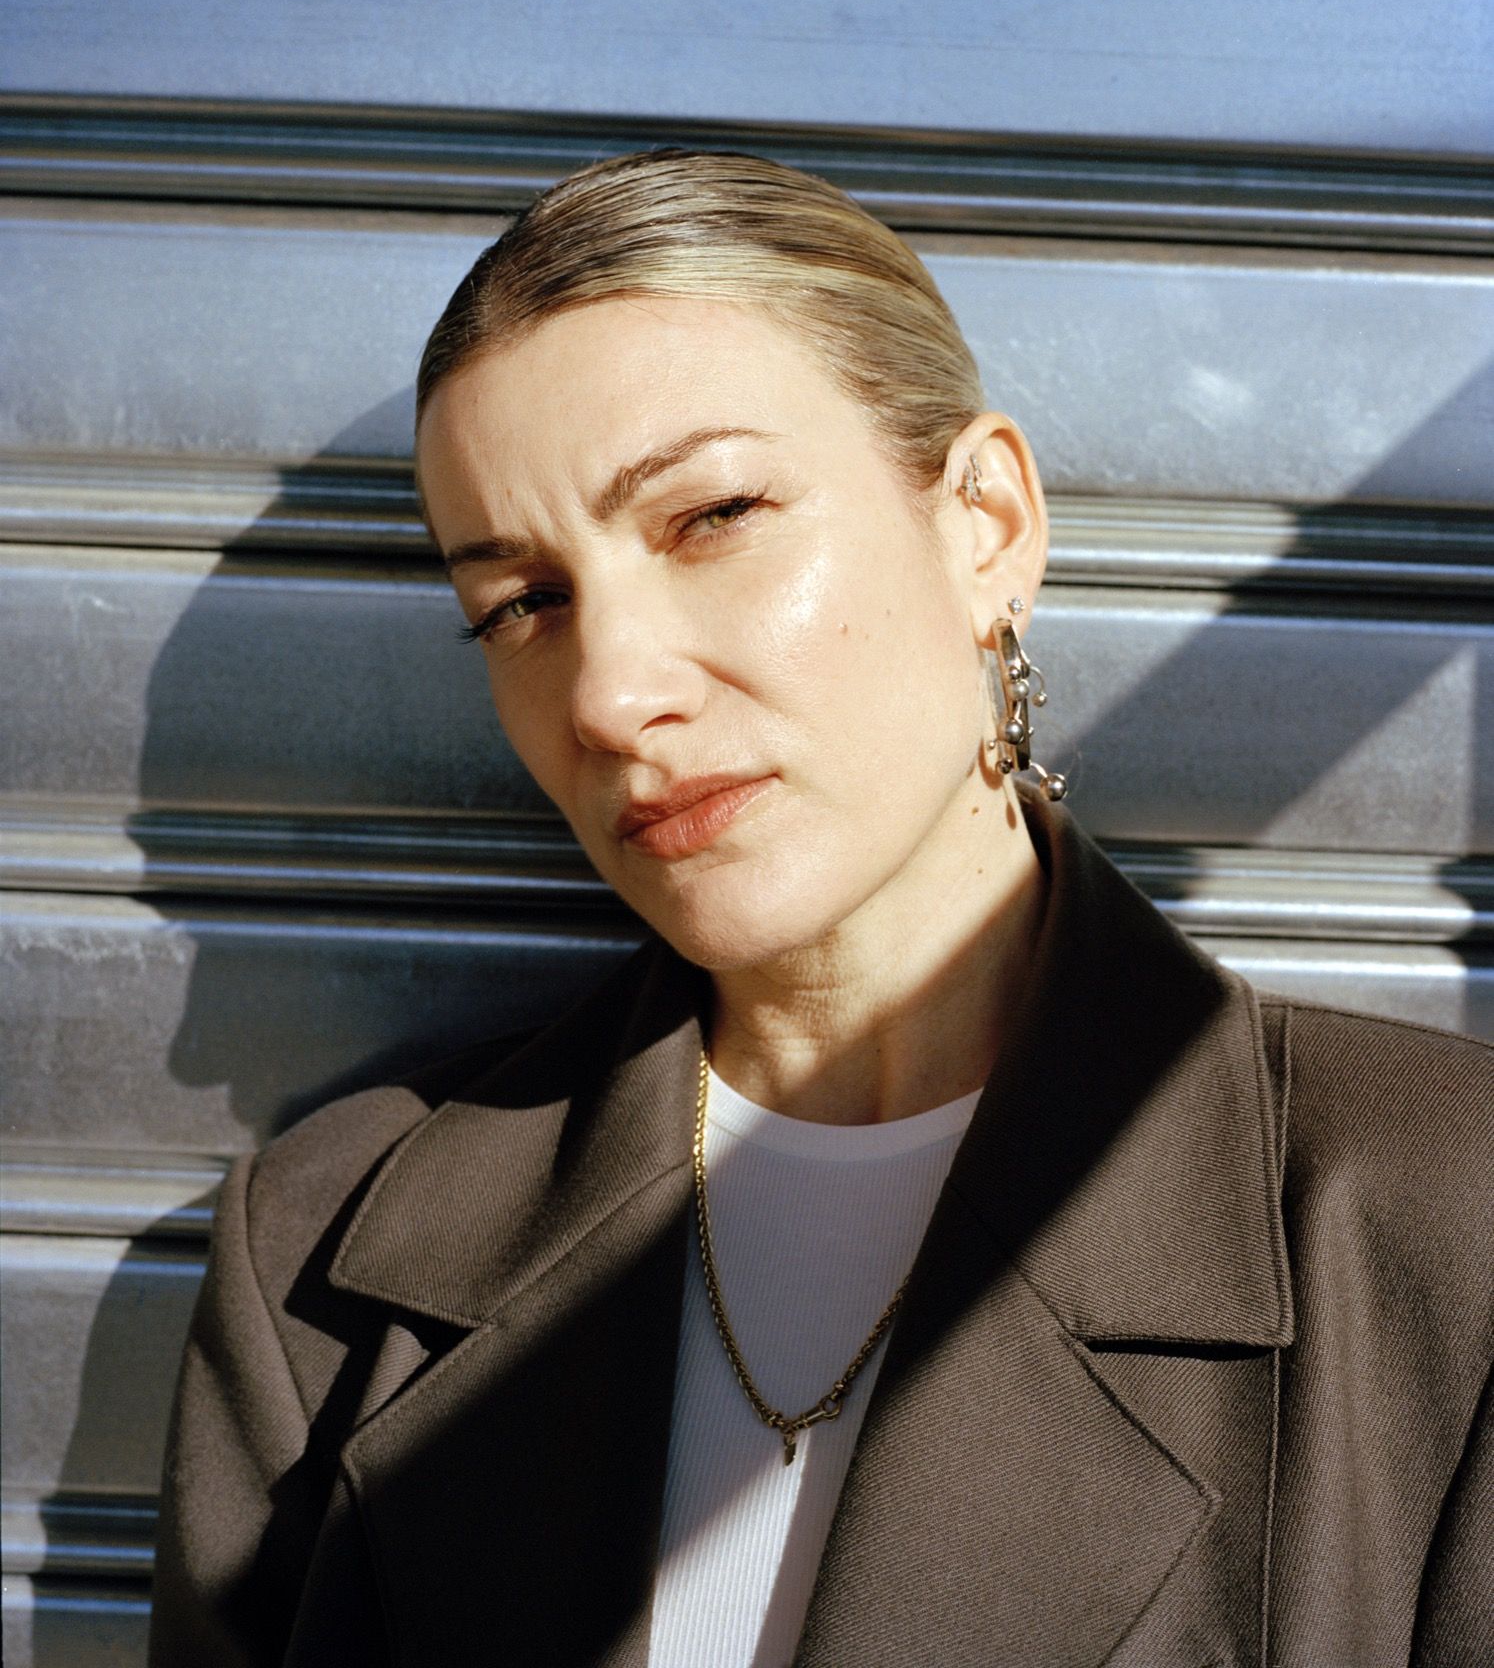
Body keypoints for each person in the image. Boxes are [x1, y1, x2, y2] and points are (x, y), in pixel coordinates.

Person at [149, 151, 1491, 1668]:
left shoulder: (1443, 1231)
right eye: (519, 603)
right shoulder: (316, 1272)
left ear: (985, 524)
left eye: (713, 515)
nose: (608, 695)